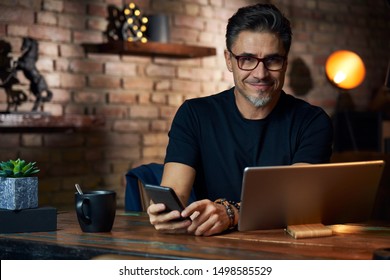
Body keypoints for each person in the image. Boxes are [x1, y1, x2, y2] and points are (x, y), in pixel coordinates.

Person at [147, 3, 333, 236]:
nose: (260, 73)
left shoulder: (312, 121)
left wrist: (231, 213)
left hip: (286, 248)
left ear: (285, 63)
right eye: (247, 59)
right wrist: (167, 215)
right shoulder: (194, 114)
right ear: (229, 60)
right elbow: (175, 193)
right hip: (213, 248)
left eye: (273, 60)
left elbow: (297, 203)